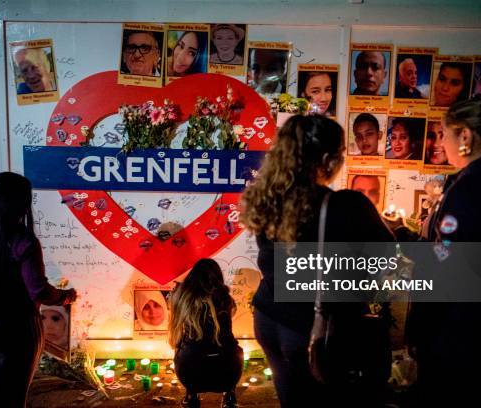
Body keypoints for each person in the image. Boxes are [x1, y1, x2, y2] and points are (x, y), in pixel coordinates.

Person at [241, 115, 394, 407]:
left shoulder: (267, 198)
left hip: (269, 319)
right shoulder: (346, 204)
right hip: (315, 327)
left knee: (292, 398)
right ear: (326, 158)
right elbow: (386, 258)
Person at [405, 97, 481, 407]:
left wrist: (418, 333)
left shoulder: (471, 187)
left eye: (443, 133)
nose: (440, 143)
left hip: (455, 334)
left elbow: (444, 263)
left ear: (466, 137)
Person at [0, 172, 77, 407]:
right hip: (17, 326)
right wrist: (65, 297)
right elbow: (38, 291)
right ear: (21, 202)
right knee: (16, 392)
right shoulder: (24, 241)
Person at [169, 258, 242, 408]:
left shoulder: (183, 299)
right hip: (228, 372)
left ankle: (191, 395)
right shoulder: (226, 300)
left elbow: (177, 336)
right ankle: (229, 395)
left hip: (190, 374)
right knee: (234, 350)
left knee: (183, 348)